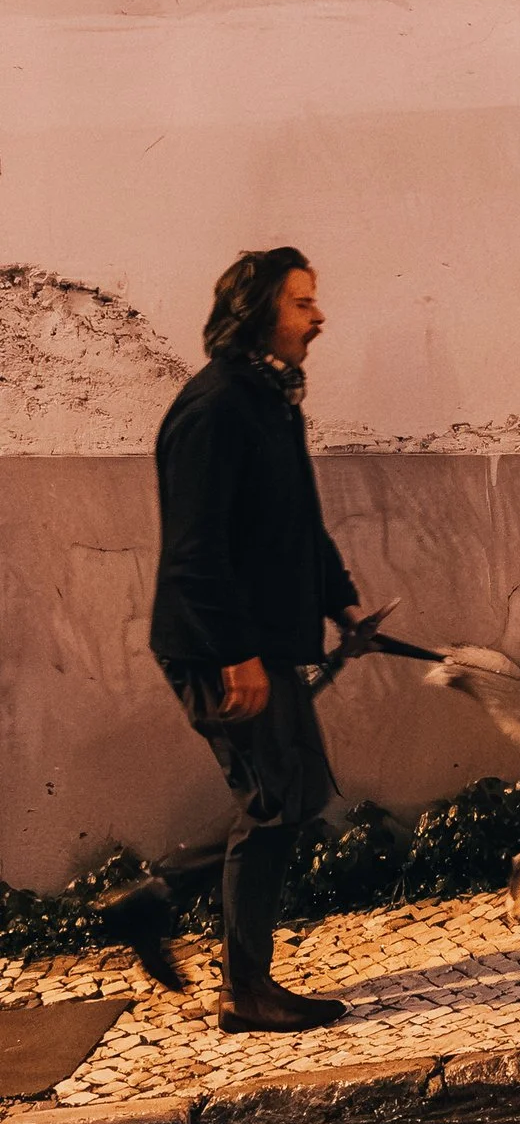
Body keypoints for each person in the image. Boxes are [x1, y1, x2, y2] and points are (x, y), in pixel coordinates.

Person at [145, 248, 369, 1031]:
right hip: (217, 644)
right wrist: (235, 653)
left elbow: (297, 521)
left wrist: (340, 603)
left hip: (262, 638)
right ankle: (248, 990)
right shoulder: (213, 410)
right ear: (260, 311)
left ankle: (156, 898)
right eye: (302, 301)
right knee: (274, 805)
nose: (318, 315)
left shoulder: (271, 397)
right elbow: (194, 552)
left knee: (299, 791)